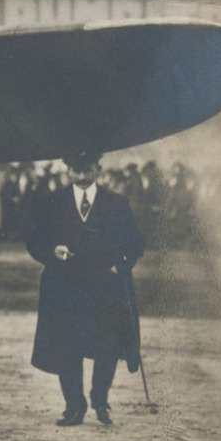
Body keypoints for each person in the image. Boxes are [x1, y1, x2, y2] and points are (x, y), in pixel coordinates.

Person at [27, 153, 145, 426]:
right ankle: (74, 407)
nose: (82, 177)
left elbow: (136, 243)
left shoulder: (117, 204)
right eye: (76, 171)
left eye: (88, 170)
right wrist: (51, 251)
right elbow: (34, 241)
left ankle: (100, 401)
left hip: (105, 287)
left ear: (98, 169)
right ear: (68, 170)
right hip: (64, 287)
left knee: (107, 345)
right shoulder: (52, 203)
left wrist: (122, 266)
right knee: (67, 346)